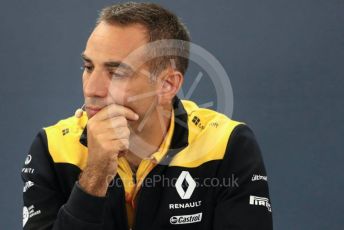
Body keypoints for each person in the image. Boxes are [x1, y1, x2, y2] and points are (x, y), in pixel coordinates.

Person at [21, 2, 273, 230]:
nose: (91, 89)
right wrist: (95, 177)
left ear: (168, 85)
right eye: (88, 67)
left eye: (116, 72)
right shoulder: (53, 147)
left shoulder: (226, 144)